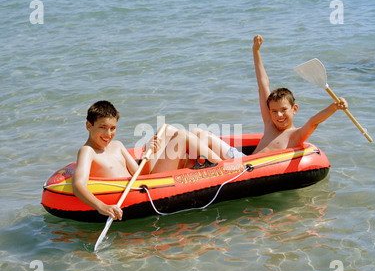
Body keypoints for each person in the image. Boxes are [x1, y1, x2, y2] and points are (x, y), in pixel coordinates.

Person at [192, 35, 348, 157]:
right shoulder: (270, 124)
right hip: (241, 160)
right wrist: (256, 51)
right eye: (273, 111)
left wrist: (334, 107)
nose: (278, 115)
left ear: (294, 109)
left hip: (242, 166)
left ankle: (212, 166)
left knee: (200, 136)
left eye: (283, 110)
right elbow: (263, 84)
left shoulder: (295, 135)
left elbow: (314, 121)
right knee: (197, 133)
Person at [72, 101, 222, 220]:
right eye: (102, 127)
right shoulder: (88, 151)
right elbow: (78, 185)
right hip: (153, 184)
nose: (108, 133)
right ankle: (222, 165)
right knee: (182, 136)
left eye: (112, 128)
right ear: (88, 126)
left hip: (147, 178)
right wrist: (101, 206)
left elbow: (141, 173)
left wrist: (148, 152)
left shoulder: (117, 146)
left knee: (171, 130)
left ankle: (230, 156)